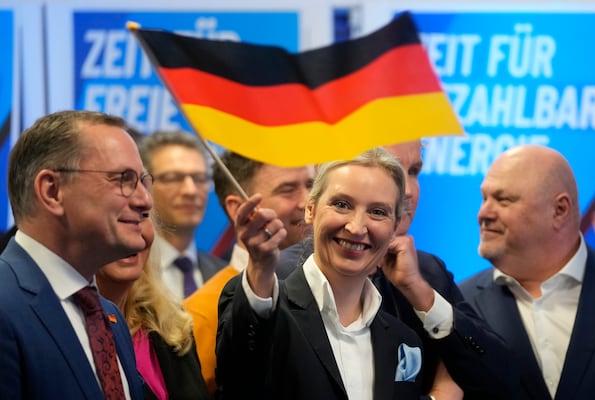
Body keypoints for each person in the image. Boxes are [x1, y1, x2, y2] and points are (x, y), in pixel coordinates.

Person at [278, 141, 519, 399]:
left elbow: (502, 381)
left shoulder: (428, 272)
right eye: (388, 165)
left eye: (414, 171)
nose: (407, 191)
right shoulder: (284, 276)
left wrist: (422, 296)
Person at [216, 147, 423, 400]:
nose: (357, 227)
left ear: (394, 226)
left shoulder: (405, 340)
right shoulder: (263, 305)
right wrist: (260, 269)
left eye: (378, 212)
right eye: (341, 204)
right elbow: (239, 385)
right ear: (310, 210)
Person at [0, 110, 150, 399]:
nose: (145, 201)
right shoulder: (5, 306)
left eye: (143, 181)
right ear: (53, 191)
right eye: (123, 179)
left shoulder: (109, 316)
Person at [460, 144, 595, 399]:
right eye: (484, 198)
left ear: (559, 210)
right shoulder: (459, 304)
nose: (484, 213)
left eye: (503, 200)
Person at [183, 151, 315, 397]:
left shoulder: (335, 291)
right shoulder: (198, 316)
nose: (307, 202)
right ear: (238, 208)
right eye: (288, 190)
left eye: (311, 185)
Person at [97, 215, 210, 400]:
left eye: (141, 215)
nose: (129, 233)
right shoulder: (66, 330)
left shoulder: (172, 324)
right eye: (116, 218)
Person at [138, 130, 227, 300]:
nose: (190, 190)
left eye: (200, 178)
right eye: (173, 178)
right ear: (144, 185)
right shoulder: (124, 271)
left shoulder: (224, 276)